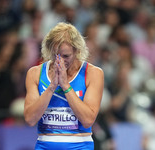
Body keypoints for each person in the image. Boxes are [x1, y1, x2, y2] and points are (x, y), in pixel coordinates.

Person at [24, 22, 104, 150]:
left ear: (77, 51)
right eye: (56, 55)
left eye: (66, 56)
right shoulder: (35, 73)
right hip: (45, 144)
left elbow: (88, 120)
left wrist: (65, 85)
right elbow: (30, 119)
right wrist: (51, 87)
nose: (60, 61)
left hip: (80, 145)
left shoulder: (93, 73)